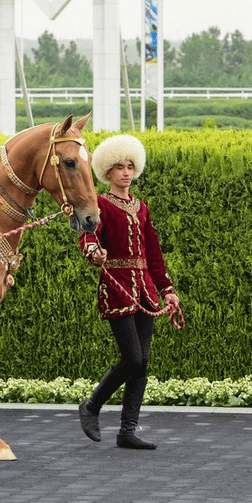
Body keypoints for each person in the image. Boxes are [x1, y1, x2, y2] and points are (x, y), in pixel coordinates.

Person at [77, 134, 180, 450]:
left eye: (130, 166)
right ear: (106, 172)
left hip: (146, 290)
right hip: (117, 288)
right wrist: (94, 251)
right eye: (119, 166)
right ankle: (92, 405)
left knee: (143, 361)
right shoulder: (100, 205)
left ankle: (127, 431)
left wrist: (168, 290)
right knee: (133, 358)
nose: (125, 172)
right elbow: (87, 236)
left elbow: (153, 253)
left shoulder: (142, 207)